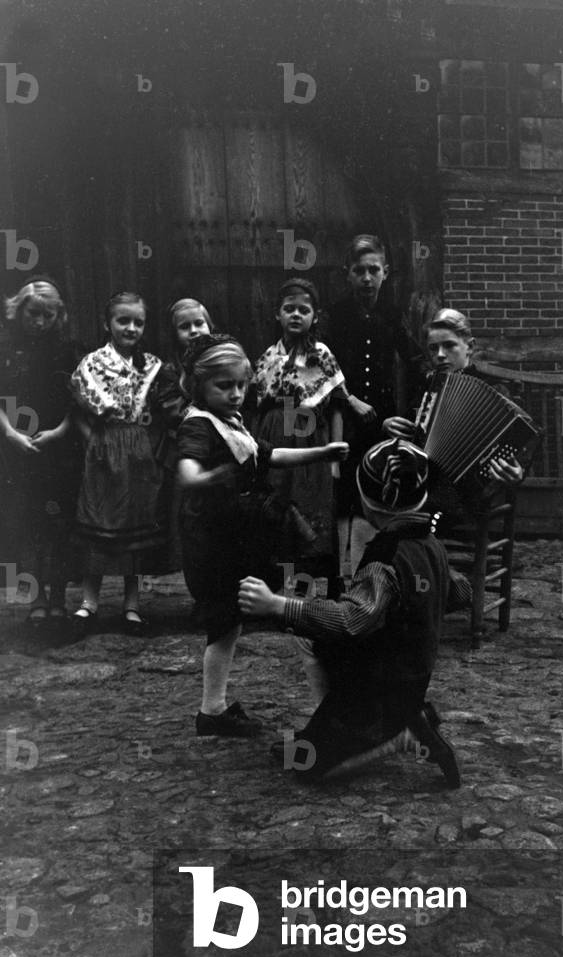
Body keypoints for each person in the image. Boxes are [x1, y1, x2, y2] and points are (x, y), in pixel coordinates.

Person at [238, 437, 463, 785]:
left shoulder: (385, 558)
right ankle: (355, 721)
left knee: (304, 768)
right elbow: (460, 591)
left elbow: (351, 621)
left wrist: (278, 605)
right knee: (310, 632)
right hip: (413, 668)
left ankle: (399, 735)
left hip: (380, 681)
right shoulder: (431, 545)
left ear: (368, 505)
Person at [177, 339, 348, 738]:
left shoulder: (231, 422)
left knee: (232, 621)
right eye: (223, 386)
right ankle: (213, 710)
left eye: (240, 385)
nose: (235, 394)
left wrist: (321, 452)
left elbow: (267, 455)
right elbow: (187, 471)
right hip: (216, 542)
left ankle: (214, 708)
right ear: (200, 386)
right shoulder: (198, 424)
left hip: (239, 535)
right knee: (226, 619)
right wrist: (206, 478)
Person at [319, 234, 420, 575]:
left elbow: (414, 360)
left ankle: (371, 577)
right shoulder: (334, 316)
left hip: (383, 422)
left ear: (385, 272)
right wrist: (348, 401)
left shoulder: (393, 315)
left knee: (374, 500)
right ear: (348, 273)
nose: (366, 278)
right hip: (343, 420)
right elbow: (320, 371)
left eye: (373, 270)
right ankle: (343, 578)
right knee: (343, 499)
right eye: (359, 270)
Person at [70, 291, 164, 634]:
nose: (131, 327)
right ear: (107, 324)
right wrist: (92, 441)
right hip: (104, 446)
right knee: (98, 520)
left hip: (138, 449)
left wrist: (147, 445)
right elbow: (77, 408)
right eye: (123, 320)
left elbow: (162, 411)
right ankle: (89, 602)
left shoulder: (150, 365)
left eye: (138, 322)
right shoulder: (93, 363)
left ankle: (132, 604)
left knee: (133, 524)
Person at [382, 308, 525, 525]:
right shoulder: (427, 390)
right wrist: (390, 426)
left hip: (468, 499)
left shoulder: (493, 390)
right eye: (433, 348)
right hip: (426, 491)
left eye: (449, 345)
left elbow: (519, 445)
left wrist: (518, 471)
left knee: (400, 525)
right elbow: (407, 438)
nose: (440, 355)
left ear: (470, 346)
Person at [0, 277, 80, 627]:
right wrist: (11, 433)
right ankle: (36, 599)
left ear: (58, 315)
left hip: (59, 449)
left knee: (59, 525)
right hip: (17, 451)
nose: (40, 322)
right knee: (28, 523)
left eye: (48, 315)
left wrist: (59, 432)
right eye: (33, 314)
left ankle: (58, 597)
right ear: (20, 310)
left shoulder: (69, 350)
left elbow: (81, 402)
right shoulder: (5, 352)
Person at [253, 278, 346, 591]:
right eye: (288, 309)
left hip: (308, 438)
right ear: (277, 315)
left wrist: (334, 457)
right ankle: (276, 588)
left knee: (308, 503)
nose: (296, 315)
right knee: (276, 505)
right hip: (274, 436)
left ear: (314, 316)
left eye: (303, 310)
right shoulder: (268, 356)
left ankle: (304, 588)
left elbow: (336, 405)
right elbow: (258, 404)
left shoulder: (321, 355)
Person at [148, 298, 215, 577]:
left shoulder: (222, 360)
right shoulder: (170, 371)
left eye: (199, 323)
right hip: (184, 451)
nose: (194, 330)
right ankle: (195, 585)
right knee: (189, 522)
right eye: (184, 326)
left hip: (218, 450)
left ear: (209, 325)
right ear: (174, 334)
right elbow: (172, 409)